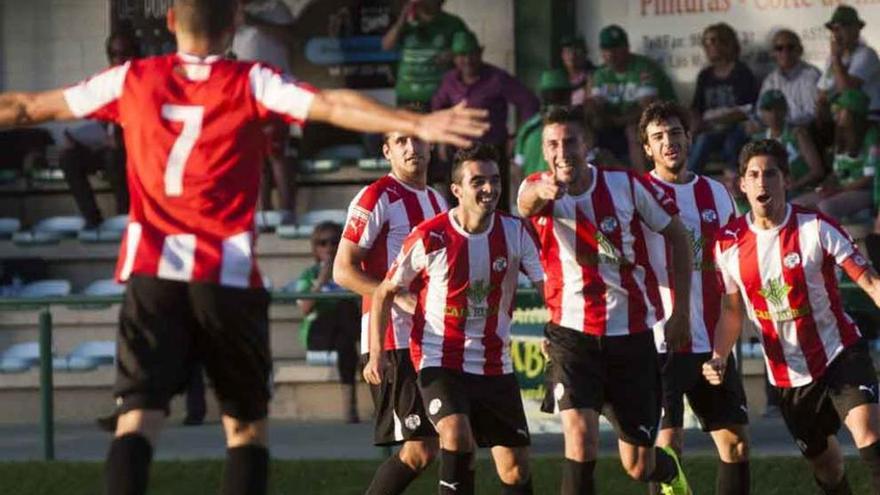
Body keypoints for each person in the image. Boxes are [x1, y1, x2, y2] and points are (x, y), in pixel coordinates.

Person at [0, 1, 487, 493]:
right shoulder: (251, 80)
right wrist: (419, 122)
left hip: (152, 275)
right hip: (226, 275)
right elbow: (333, 104)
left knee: (137, 420)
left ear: (170, 22)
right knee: (245, 429)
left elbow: (23, 108)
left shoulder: (131, 78)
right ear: (235, 24)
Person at [517, 106, 693, 495]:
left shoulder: (626, 186)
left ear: (589, 144)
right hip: (572, 335)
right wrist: (542, 192)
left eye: (570, 142)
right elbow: (525, 203)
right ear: (544, 151)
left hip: (631, 336)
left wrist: (680, 311)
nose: (562, 152)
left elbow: (679, 237)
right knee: (580, 441)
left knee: (638, 464)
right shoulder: (538, 187)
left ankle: (668, 471)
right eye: (553, 144)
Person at [365, 144, 545, 495]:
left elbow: (546, 285)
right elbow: (384, 291)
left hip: (495, 364)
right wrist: (376, 352)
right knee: (455, 434)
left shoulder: (515, 232)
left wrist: (557, 322)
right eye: (478, 181)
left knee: (515, 468)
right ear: (457, 190)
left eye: (494, 180)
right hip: (439, 359)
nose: (490, 189)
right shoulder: (430, 237)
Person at [705, 139, 880, 494]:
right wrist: (719, 355)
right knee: (828, 468)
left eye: (770, 173)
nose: (761, 182)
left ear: (785, 180)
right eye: (753, 174)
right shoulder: (728, 243)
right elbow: (731, 310)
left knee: (870, 434)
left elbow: (871, 281)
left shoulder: (816, 227)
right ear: (742, 185)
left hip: (838, 352)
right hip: (788, 374)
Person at [639, 101, 750, 495]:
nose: (669, 141)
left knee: (734, 443)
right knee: (668, 449)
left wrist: (724, 346)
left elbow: (735, 265)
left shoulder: (716, 194)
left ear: (689, 138)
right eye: (658, 137)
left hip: (710, 341)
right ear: (648, 148)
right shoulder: (639, 194)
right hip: (659, 343)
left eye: (675, 133)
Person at [333, 125, 448, 495]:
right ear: (387, 151)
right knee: (419, 450)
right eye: (401, 141)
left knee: (450, 438)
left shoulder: (439, 200)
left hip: (433, 337)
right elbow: (342, 270)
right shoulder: (377, 196)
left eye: (419, 138)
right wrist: (396, 296)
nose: (412, 147)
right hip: (393, 337)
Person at [432, 29, 540, 211]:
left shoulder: (497, 78)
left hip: (492, 151)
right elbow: (437, 108)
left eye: (471, 54)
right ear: (454, 58)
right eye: (461, 56)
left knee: (496, 202)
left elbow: (529, 102)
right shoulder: (449, 80)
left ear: (480, 53)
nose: (467, 61)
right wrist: (442, 139)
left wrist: (518, 138)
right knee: (456, 202)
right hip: (458, 152)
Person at [59, 29, 140, 230]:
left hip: (131, 152)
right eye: (114, 55)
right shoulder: (105, 83)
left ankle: (124, 219)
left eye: (125, 54)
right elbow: (97, 122)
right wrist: (76, 139)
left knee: (115, 156)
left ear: (136, 55)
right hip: (107, 148)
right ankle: (92, 219)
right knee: (68, 157)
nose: (119, 61)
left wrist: (120, 141)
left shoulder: (144, 83)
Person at [232, 0, 297, 221]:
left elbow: (291, 39)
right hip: (245, 94)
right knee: (253, 156)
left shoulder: (275, 8)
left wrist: (252, 21)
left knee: (278, 152)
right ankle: (263, 214)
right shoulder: (232, 13)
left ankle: (287, 212)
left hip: (275, 91)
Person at [586, 24, 677, 172]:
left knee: (634, 129)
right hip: (615, 125)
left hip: (659, 122)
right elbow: (595, 106)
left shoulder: (644, 67)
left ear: (626, 47)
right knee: (588, 122)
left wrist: (615, 121)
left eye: (616, 48)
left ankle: (642, 183)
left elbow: (647, 108)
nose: (611, 54)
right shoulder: (601, 74)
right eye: (607, 49)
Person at [294, 221, 359, 424]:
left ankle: (350, 406)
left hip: (345, 335)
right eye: (323, 243)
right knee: (342, 310)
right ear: (315, 247)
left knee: (345, 342)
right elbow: (305, 308)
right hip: (319, 332)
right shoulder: (309, 275)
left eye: (334, 242)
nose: (329, 248)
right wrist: (322, 279)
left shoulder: (352, 272)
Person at [794, 89, 877, 220]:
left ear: (853, 113)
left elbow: (869, 178)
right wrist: (827, 184)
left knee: (826, 207)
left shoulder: (871, 136)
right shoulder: (841, 132)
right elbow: (837, 170)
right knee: (797, 205)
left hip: (863, 191)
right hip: (842, 188)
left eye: (840, 109)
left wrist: (840, 189)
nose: (836, 113)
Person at [688, 23, 759, 174]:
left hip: (736, 126)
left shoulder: (741, 72)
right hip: (711, 129)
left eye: (713, 41)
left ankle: (733, 186)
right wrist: (695, 121)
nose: (708, 46)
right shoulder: (705, 75)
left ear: (728, 43)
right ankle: (684, 182)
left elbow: (746, 110)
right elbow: (696, 108)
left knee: (731, 142)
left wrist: (711, 122)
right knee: (701, 139)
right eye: (705, 42)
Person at [381, 0, 468, 106]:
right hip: (407, 98)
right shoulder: (405, 22)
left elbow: (468, 52)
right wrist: (402, 19)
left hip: (441, 98)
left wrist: (452, 54)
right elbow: (387, 46)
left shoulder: (453, 23)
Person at [752, 90, 824, 198]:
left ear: (785, 111)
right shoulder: (759, 140)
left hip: (802, 191)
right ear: (762, 113)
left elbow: (817, 171)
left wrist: (795, 185)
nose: (773, 114)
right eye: (768, 110)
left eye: (778, 109)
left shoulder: (798, 134)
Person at [816, 5, 880, 125]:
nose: (837, 33)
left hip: (868, 118)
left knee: (847, 115)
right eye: (834, 29)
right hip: (840, 119)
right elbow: (822, 92)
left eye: (843, 28)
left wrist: (836, 59)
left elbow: (847, 90)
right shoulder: (833, 59)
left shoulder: (867, 54)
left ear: (856, 30)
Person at [756, 29, 821, 128]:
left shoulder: (811, 75)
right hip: (777, 130)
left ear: (800, 50)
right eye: (779, 48)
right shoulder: (771, 80)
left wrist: (785, 125)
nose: (785, 52)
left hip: (804, 130)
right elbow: (760, 111)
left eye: (790, 47)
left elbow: (813, 114)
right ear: (773, 53)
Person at [559, 35, 596, 106]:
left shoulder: (594, 75)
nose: (572, 55)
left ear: (585, 53)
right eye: (568, 51)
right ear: (562, 55)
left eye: (577, 51)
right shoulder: (559, 77)